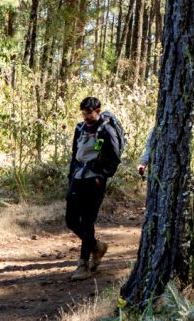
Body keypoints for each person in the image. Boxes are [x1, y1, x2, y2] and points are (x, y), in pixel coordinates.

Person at [66, 96, 125, 281]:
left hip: (95, 181)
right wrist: (71, 176)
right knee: (71, 220)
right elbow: (75, 154)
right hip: (78, 178)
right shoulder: (80, 128)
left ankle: (82, 265)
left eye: (89, 113)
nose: (86, 117)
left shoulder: (106, 130)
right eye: (83, 113)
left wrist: (101, 176)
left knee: (87, 222)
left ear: (98, 111)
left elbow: (115, 158)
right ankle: (97, 247)